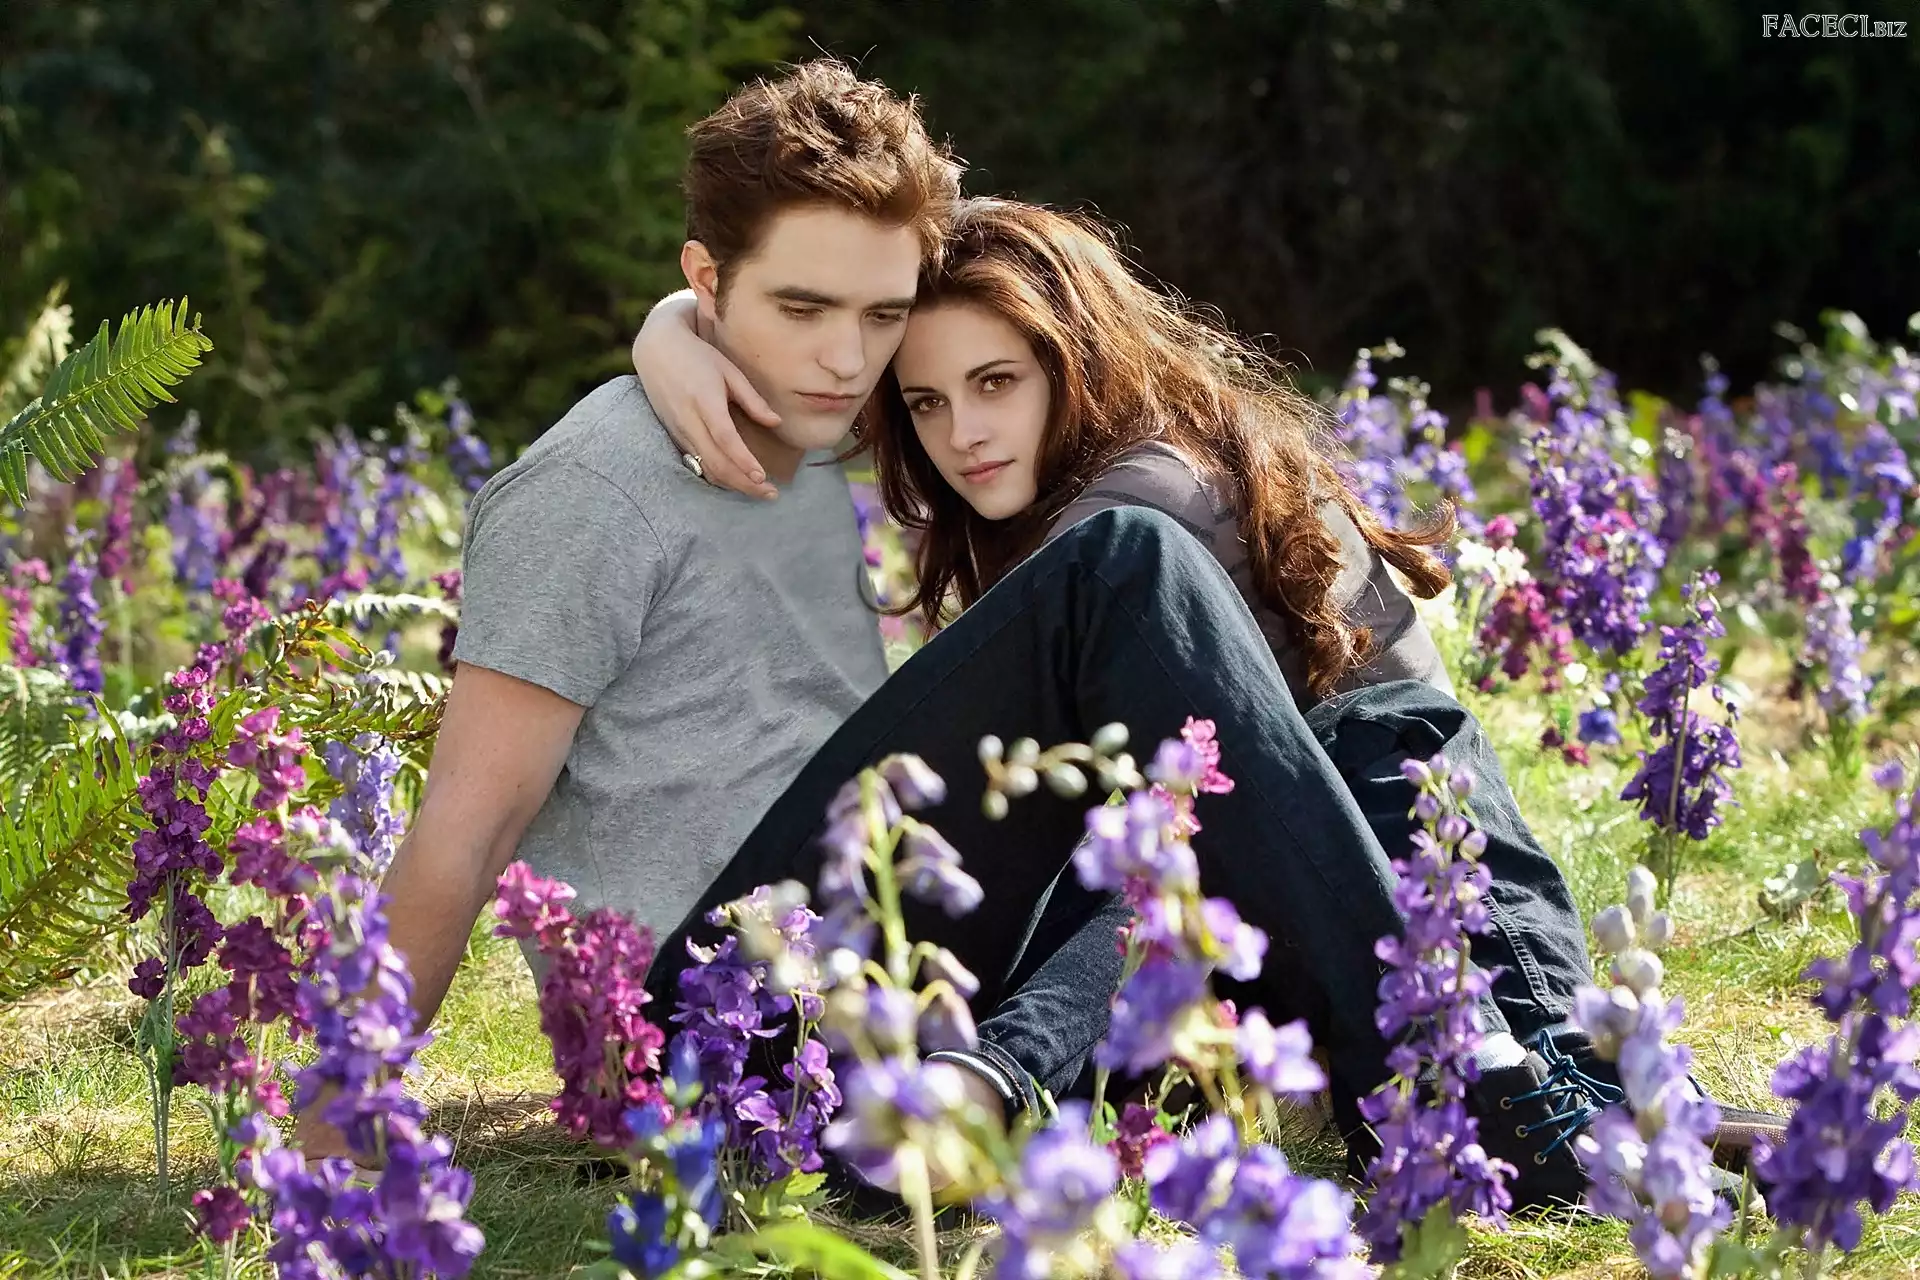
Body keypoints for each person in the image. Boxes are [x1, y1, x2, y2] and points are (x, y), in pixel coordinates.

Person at [628, 197, 1789, 1203]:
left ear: (1078, 361)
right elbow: (801, 315)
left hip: (877, 1046)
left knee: (1340, 752)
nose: (961, 433)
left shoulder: (1160, 490)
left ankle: (1545, 1083)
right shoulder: (1131, 534)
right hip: (741, 1010)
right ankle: (1519, 1078)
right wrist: (675, 322)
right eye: (925, 403)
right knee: (1303, 735)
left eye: (995, 383)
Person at [292, 58, 965, 1162]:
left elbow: (1012, 282)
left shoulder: (807, 412)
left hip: (862, 958)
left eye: (883, 314)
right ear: (708, 279)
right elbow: (468, 823)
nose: (849, 358)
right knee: (1112, 575)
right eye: (801, 307)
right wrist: (328, 1143)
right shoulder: (591, 491)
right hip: (708, 1028)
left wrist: (670, 328)